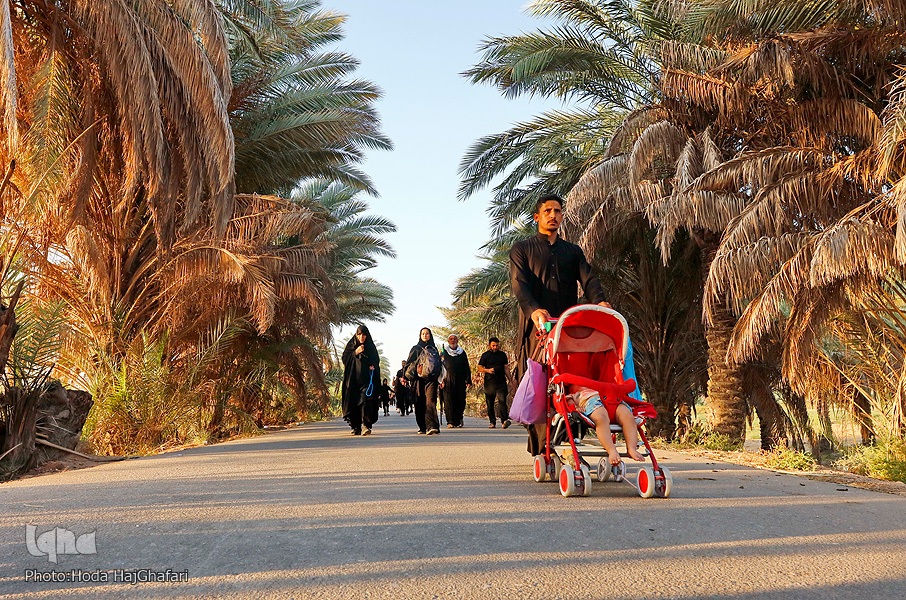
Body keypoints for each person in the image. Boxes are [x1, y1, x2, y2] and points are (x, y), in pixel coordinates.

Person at [510, 193, 610, 454]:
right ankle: (543, 448)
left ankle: (566, 443)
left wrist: (599, 301)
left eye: (557, 211)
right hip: (537, 329)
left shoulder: (572, 252)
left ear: (562, 216)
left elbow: (588, 279)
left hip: (568, 329)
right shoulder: (522, 249)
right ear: (537, 217)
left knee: (570, 382)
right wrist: (533, 310)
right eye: (547, 211)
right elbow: (519, 285)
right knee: (539, 385)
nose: (553, 215)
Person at [565, 383, 644, 465]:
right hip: (591, 401)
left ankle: (631, 448)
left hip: (613, 399)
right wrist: (575, 408)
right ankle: (611, 450)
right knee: (601, 419)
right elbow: (568, 401)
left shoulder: (600, 381)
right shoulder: (574, 391)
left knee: (628, 418)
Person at [341, 325, 380, 436]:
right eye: (359, 335)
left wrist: (373, 366)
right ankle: (356, 426)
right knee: (353, 402)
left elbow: (376, 361)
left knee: (366, 400)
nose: (361, 337)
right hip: (353, 381)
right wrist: (355, 353)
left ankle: (366, 425)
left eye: (363, 335)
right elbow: (345, 359)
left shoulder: (371, 347)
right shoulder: (351, 346)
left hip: (367, 381)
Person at [403, 327, 442, 435]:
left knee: (431, 401)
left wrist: (441, 378)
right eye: (423, 334)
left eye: (427, 333)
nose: (425, 335)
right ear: (420, 336)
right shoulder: (415, 349)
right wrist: (406, 376)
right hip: (418, 380)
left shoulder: (433, 349)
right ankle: (422, 426)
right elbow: (408, 363)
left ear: (430, 335)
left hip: (431, 380)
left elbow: (438, 364)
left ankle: (432, 426)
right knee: (419, 403)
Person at [477, 337, 510, 429]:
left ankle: (504, 420)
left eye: (497, 345)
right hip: (489, 382)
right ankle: (492, 421)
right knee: (490, 403)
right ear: (489, 345)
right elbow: (479, 367)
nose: (495, 347)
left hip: (501, 381)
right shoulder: (485, 355)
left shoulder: (502, 355)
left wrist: (510, 380)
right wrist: (487, 370)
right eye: (493, 345)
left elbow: (506, 368)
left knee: (502, 401)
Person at [440, 334, 471, 428]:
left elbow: (466, 366)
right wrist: (440, 380)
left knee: (460, 400)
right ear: (448, 341)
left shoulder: (462, 352)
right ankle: (450, 421)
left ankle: (459, 418)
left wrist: (468, 380)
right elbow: (440, 367)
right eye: (451, 339)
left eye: (454, 339)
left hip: (460, 380)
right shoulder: (444, 353)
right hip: (447, 380)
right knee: (448, 401)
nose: (453, 340)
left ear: (457, 340)